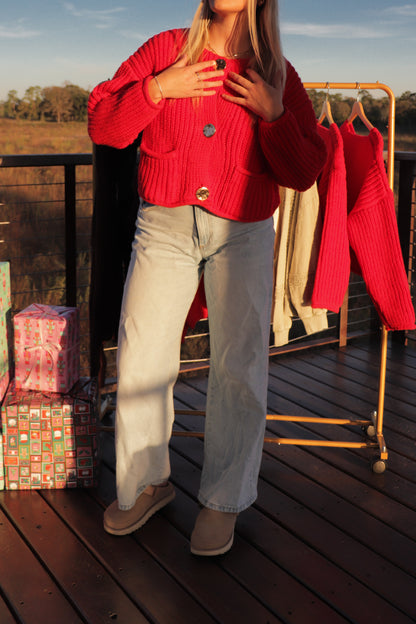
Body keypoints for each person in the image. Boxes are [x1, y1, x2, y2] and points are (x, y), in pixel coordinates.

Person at [88, 0, 326, 556]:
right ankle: (146, 483)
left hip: (243, 229)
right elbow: (104, 124)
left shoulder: (277, 73)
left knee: (239, 364)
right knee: (143, 354)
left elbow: (305, 169)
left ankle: (223, 500)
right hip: (163, 225)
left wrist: (275, 114)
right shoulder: (166, 48)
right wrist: (156, 90)